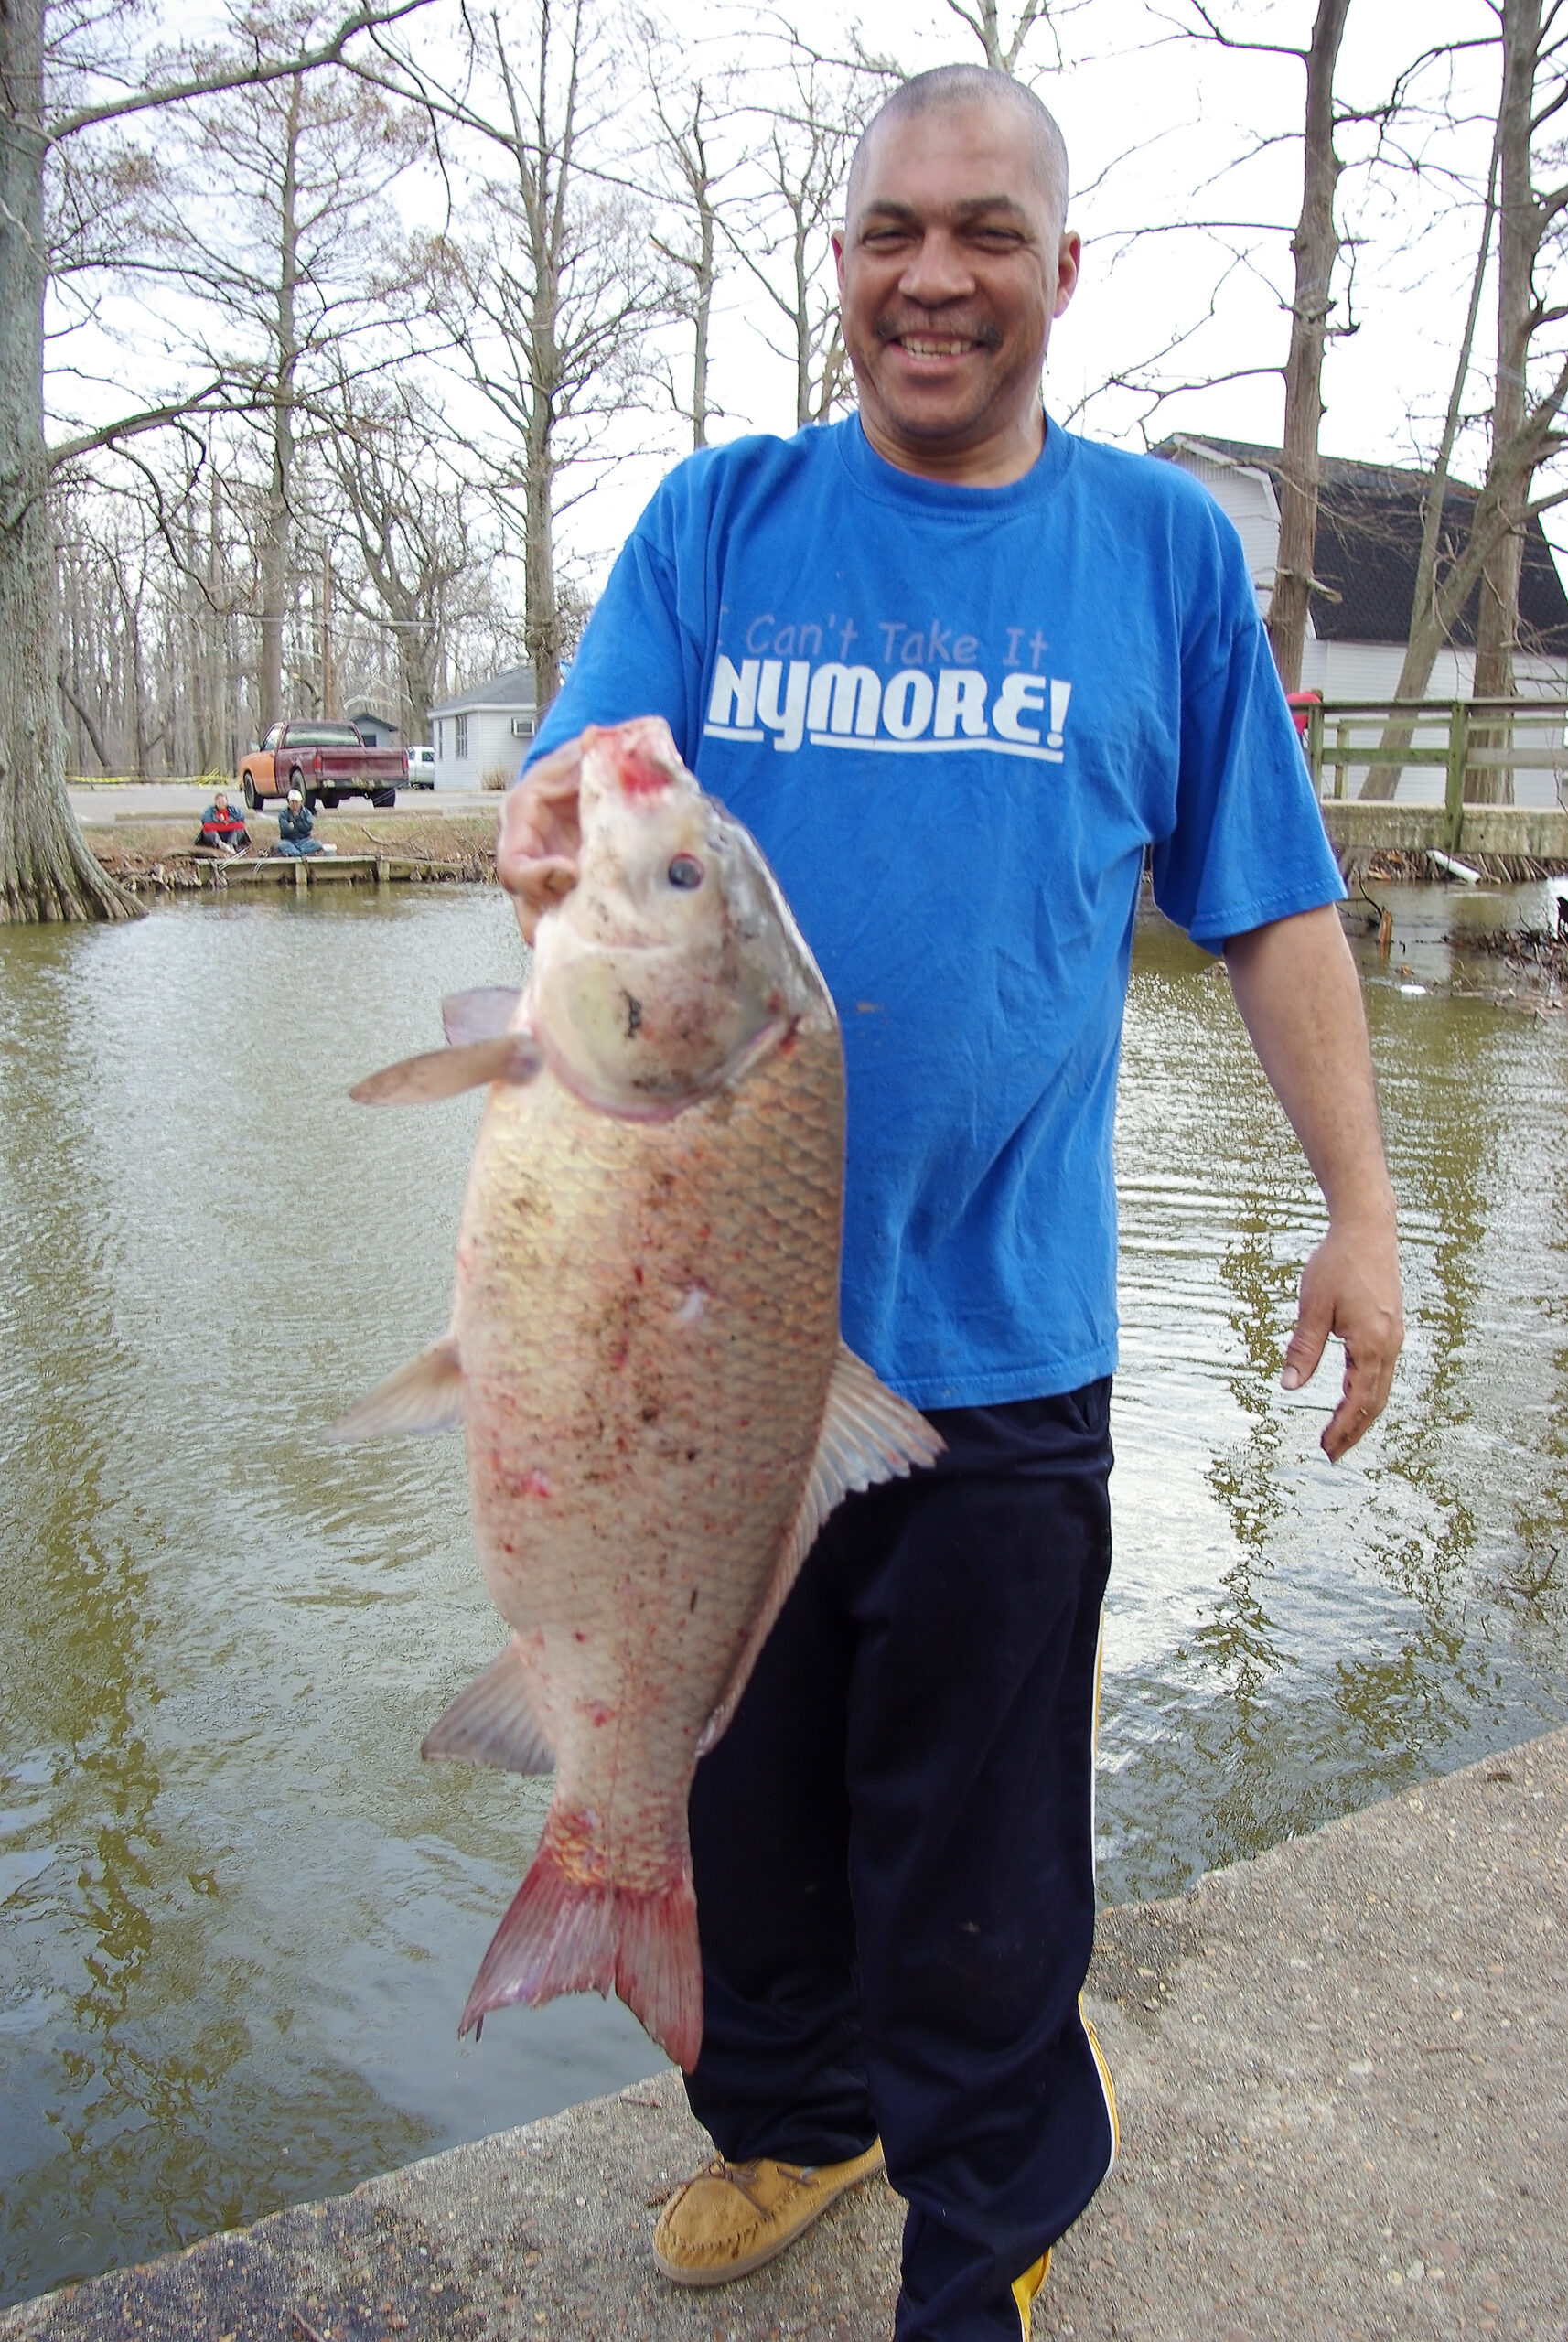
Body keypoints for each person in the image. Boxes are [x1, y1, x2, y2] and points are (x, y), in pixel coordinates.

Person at [498, 65, 1403, 2342]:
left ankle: (977, 2230)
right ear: (839, 264)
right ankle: (791, 2115)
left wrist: (1360, 1204)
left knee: (981, 1874)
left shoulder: (1158, 558)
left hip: (995, 1353)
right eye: (892, 229)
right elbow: (568, 785)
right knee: (742, 1821)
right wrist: (551, 818)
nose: (932, 274)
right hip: (701, 1366)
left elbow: (1272, 907)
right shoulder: (717, 521)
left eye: (984, 232)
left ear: (1057, 271)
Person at [194, 789, 250, 854]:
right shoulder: (209, 811)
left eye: (223, 802)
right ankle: (221, 845)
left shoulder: (234, 810)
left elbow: (241, 823)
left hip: (230, 833)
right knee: (208, 831)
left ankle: (231, 845)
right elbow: (206, 824)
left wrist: (229, 822)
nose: (221, 804)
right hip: (217, 834)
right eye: (219, 802)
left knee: (240, 829)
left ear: (227, 801)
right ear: (215, 802)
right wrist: (222, 824)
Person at [275, 788, 325, 857]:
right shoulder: (284, 814)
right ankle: (299, 853)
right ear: (289, 802)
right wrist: (300, 828)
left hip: (304, 841)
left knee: (318, 844)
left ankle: (295, 852)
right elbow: (285, 829)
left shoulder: (306, 813)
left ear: (301, 802)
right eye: (292, 802)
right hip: (288, 841)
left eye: (297, 802)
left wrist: (295, 825)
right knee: (281, 844)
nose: (295, 805)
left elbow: (308, 827)